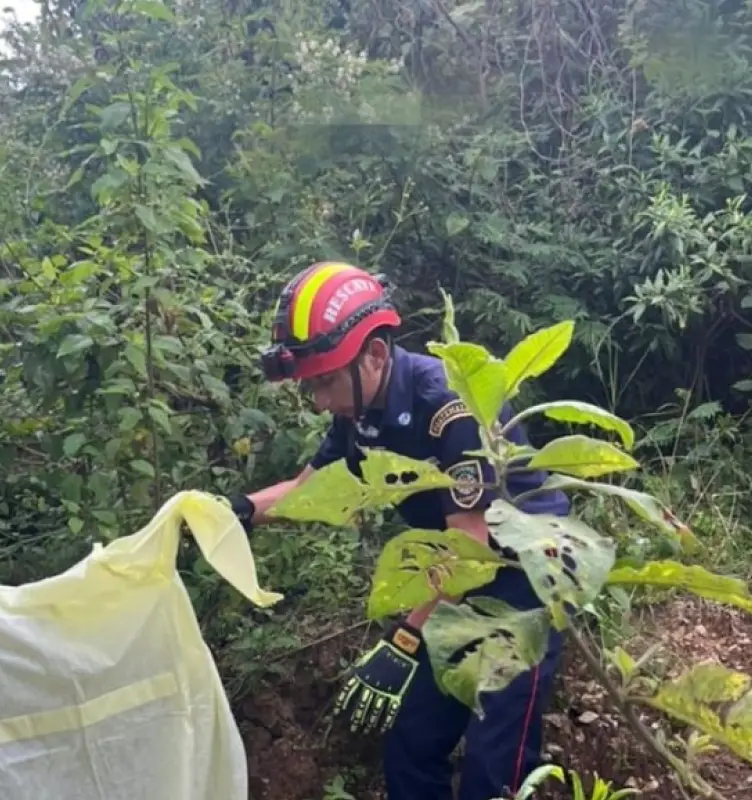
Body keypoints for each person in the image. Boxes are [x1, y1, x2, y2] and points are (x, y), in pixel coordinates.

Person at [226, 262, 571, 800]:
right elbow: (310, 490)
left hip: (523, 578)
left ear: (376, 355)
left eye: (324, 383)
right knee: (411, 747)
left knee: (493, 767)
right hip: (455, 584)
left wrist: (406, 638)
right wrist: (237, 511)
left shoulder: (447, 406)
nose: (319, 401)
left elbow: (470, 550)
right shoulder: (359, 410)